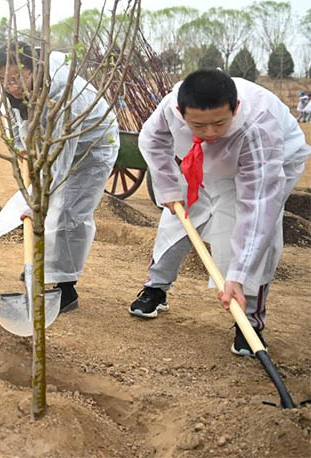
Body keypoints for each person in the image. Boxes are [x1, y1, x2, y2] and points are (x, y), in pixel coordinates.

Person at [128, 70, 311, 356]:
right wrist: (167, 186)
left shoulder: (259, 126)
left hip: (267, 165)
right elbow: (152, 140)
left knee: (247, 231)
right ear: (181, 113)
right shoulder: (170, 107)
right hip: (202, 163)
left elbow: (258, 207)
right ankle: (156, 287)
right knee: (179, 218)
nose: (210, 133)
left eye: (219, 123)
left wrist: (237, 275)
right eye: (199, 125)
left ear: (235, 108)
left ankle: (248, 321)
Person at [0, 42, 120, 313]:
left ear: (34, 69)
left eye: (16, 78)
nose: (11, 86)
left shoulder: (64, 93)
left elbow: (61, 158)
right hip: (53, 144)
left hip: (92, 148)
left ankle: (65, 288)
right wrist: (20, 146)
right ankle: (42, 272)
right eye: (3, 80)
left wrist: (39, 199)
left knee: (67, 212)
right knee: (51, 206)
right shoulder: (15, 91)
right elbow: (13, 118)